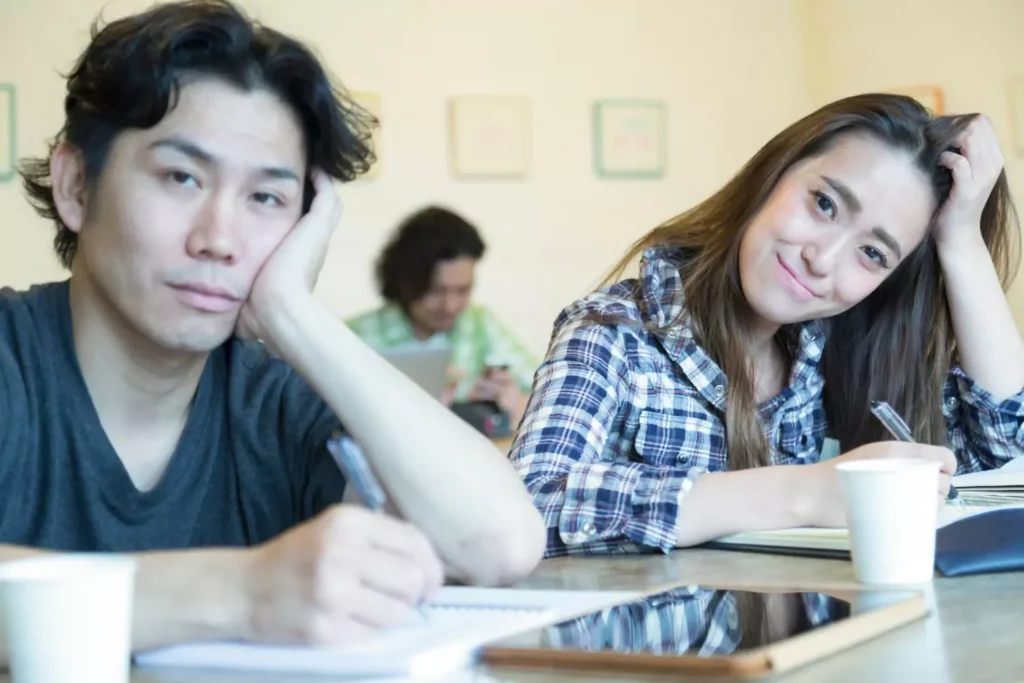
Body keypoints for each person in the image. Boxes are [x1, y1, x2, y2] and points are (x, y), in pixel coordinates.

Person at [0, 0, 545, 654]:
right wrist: (242, 592)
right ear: (76, 186)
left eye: (266, 197)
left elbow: (501, 544)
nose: (220, 239)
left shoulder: (274, 398)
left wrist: (295, 314)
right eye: (181, 176)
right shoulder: (13, 358)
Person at [510, 93, 1024, 557]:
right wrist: (800, 493)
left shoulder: (846, 354)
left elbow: (1005, 453)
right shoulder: (615, 334)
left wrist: (960, 239)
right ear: (773, 175)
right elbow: (522, 511)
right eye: (824, 204)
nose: (821, 259)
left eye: (872, 253)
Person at [348, 206, 538, 426]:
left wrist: (518, 405)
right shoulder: (356, 337)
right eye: (436, 291)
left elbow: (549, 392)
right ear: (405, 281)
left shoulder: (479, 324)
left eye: (463, 290)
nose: (450, 306)